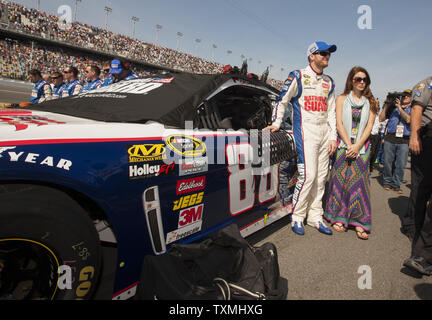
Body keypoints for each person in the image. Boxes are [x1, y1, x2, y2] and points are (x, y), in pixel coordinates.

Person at [264, 41, 337, 235]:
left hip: (324, 133)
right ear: (311, 56)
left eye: (328, 53)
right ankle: (297, 216)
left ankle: (315, 216)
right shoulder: (298, 75)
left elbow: (331, 112)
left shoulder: (329, 81)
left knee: (321, 178)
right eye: (322, 53)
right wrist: (277, 123)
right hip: (306, 132)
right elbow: (283, 100)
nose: (326, 56)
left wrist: (333, 137)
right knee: (308, 176)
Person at [323, 66, 378, 240]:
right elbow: (338, 123)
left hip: (362, 148)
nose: (362, 82)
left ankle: (359, 221)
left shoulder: (372, 102)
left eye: (365, 79)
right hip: (343, 146)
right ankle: (338, 216)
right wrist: (348, 144)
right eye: (358, 79)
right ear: (351, 81)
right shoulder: (341, 99)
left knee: (358, 184)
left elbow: (369, 127)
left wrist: (357, 146)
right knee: (339, 181)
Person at [402, 77, 432, 275]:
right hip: (427, 138)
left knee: (422, 190)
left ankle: (419, 238)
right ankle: (420, 245)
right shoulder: (428, 84)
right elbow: (417, 109)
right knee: (420, 189)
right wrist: (414, 136)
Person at [379, 90, 412, 194]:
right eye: (403, 95)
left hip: (404, 139)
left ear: (411, 98)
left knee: (401, 164)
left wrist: (400, 108)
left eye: (407, 96)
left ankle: (396, 184)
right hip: (390, 137)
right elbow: (381, 118)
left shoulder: (412, 109)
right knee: (387, 162)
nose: (405, 97)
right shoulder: (392, 108)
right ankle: (387, 182)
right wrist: (386, 105)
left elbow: (408, 120)